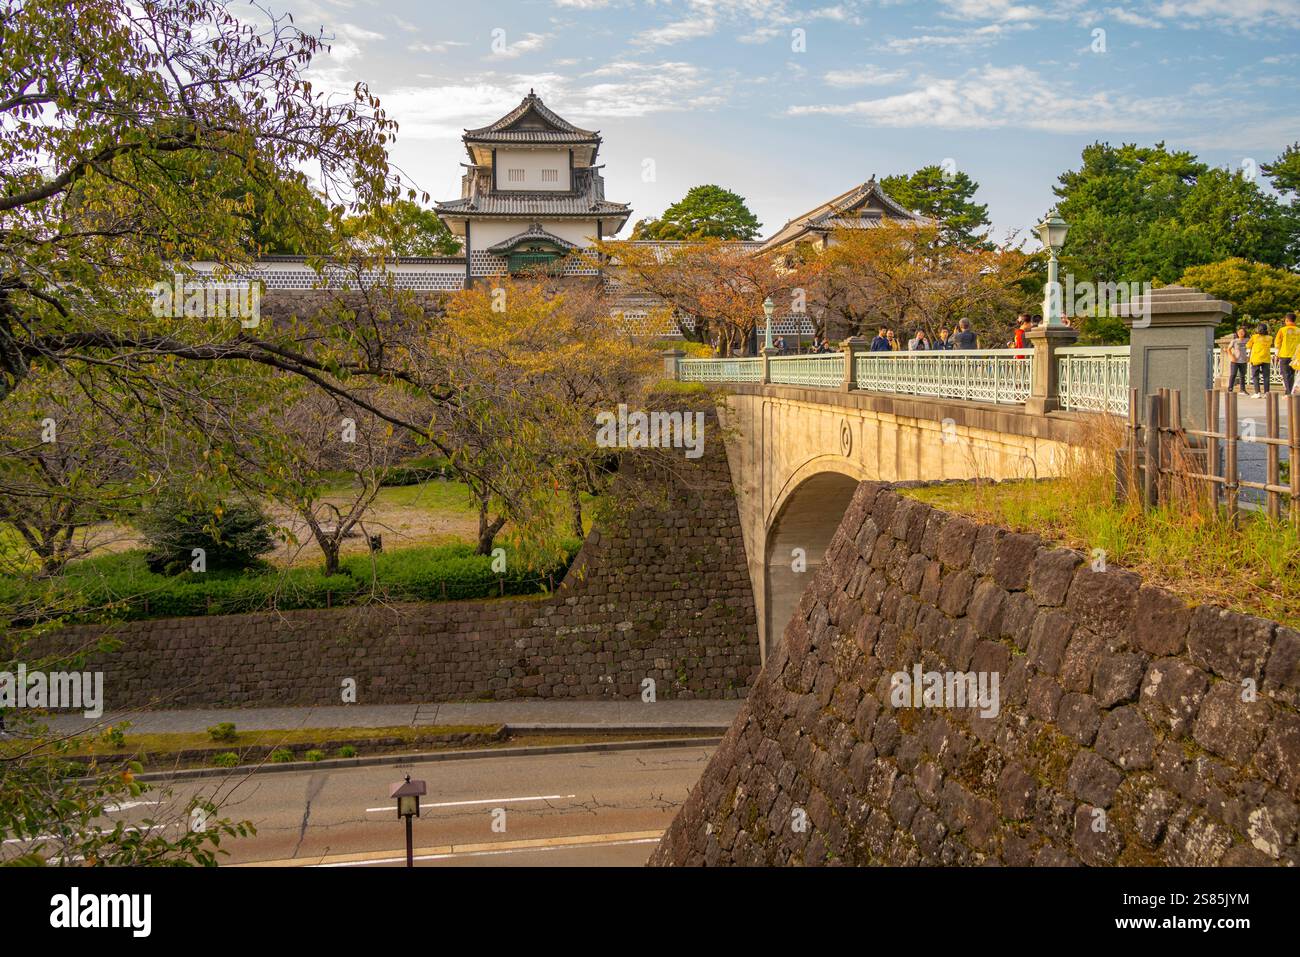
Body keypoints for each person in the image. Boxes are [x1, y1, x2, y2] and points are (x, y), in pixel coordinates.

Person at [1275, 312, 1298, 396]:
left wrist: (1276, 354)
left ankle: (1288, 393)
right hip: (1295, 356)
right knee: (1291, 374)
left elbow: (1277, 343)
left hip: (1284, 354)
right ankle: (1289, 391)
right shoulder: (1299, 330)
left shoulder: (1282, 330)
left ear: (1287, 320)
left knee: (1285, 374)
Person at [1248, 321, 1274, 395]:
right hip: (1266, 359)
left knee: (1255, 376)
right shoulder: (1270, 338)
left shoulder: (1254, 337)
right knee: (1266, 377)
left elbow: (1248, 346)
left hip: (1256, 359)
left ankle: (1257, 393)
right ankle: (1266, 393)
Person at [1227, 327, 1249, 394]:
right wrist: (1232, 357)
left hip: (1243, 360)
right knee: (1233, 374)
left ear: (1245, 333)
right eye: (1239, 332)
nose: (1241, 333)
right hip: (1235, 361)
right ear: (1237, 333)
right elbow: (1228, 349)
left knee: (1242, 375)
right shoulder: (1234, 341)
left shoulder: (1247, 340)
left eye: (1242, 332)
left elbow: (1253, 347)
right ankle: (1230, 389)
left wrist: (1249, 356)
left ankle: (1242, 390)